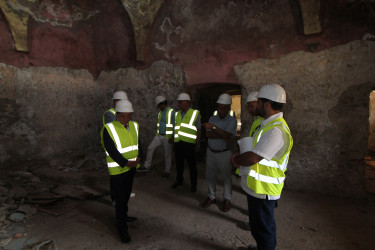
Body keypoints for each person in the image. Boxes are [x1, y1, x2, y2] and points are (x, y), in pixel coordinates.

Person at [231, 84, 293, 250]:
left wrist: (237, 159)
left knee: (265, 232)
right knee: (258, 228)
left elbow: (252, 157)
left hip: (265, 190)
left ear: (266, 104)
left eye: (258, 102)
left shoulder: (276, 131)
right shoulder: (268, 125)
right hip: (257, 188)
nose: (255, 105)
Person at [100, 100, 142, 243]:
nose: (126, 119)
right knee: (120, 199)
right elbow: (111, 150)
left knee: (125, 196)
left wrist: (139, 157)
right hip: (118, 170)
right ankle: (122, 228)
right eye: (122, 116)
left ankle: (124, 216)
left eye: (128, 116)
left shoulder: (134, 126)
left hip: (131, 169)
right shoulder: (109, 129)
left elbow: (138, 143)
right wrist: (126, 163)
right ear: (116, 115)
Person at [201, 93, 237, 212]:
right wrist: (223, 135)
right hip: (211, 152)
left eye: (222, 107)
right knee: (210, 176)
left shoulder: (232, 120)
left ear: (228, 108)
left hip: (224, 153)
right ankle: (211, 197)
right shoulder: (213, 118)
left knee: (226, 177)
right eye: (219, 107)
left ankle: (227, 199)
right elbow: (207, 134)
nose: (220, 110)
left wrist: (214, 128)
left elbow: (227, 135)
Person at [103, 91, 135, 199]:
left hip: (125, 147)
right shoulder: (110, 114)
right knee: (115, 174)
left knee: (126, 173)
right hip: (115, 148)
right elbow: (117, 128)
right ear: (116, 101)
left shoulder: (123, 112)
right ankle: (114, 197)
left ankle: (125, 192)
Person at [137, 96, 175, 179]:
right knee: (150, 148)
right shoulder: (160, 113)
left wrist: (173, 136)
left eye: (158, 105)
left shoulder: (171, 112)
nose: (158, 107)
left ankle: (167, 171)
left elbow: (175, 125)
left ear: (162, 104)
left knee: (167, 154)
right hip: (159, 135)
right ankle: (147, 166)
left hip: (167, 137)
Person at [171, 93, 201, 193]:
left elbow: (199, 130)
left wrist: (197, 143)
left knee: (192, 165)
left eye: (180, 102)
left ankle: (194, 184)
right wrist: (172, 137)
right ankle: (179, 180)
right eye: (178, 102)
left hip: (189, 144)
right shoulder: (177, 114)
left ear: (187, 103)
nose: (179, 104)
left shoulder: (195, 113)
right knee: (179, 164)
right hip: (178, 143)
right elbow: (175, 127)